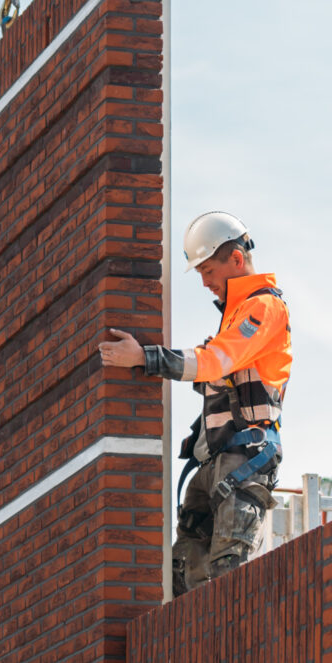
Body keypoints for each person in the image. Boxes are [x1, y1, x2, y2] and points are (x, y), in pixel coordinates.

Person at [99, 211, 292, 593]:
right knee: (182, 573)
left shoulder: (264, 309)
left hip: (244, 459)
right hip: (216, 462)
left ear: (236, 260)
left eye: (207, 270)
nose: (204, 282)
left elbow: (213, 361)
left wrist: (145, 358)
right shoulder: (236, 316)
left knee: (227, 573)